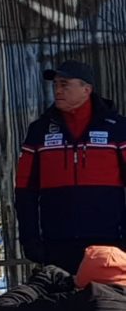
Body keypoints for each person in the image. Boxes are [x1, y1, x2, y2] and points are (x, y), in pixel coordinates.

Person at [15, 59, 126, 274]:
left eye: (64, 84)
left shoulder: (119, 129)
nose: (57, 89)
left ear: (87, 88)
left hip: (109, 242)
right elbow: (24, 190)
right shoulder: (39, 131)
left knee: (105, 305)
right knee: (61, 305)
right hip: (56, 242)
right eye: (55, 84)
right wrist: (30, 238)